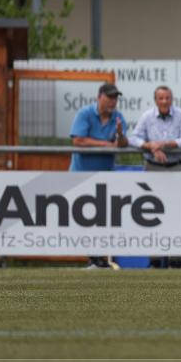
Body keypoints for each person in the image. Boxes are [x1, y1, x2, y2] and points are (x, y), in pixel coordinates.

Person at [70, 82, 128, 269]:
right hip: (81, 176)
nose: (113, 101)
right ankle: (93, 257)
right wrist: (106, 144)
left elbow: (123, 145)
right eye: (109, 97)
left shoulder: (118, 117)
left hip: (105, 178)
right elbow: (78, 140)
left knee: (102, 219)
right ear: (99, 97)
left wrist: (120, 135)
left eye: (115, 98)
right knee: (84, 218)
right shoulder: (85, 113)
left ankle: (98, 258)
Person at [128, 85, 181, 171]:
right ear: (155, 100)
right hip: (152, 167)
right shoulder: (147, 116)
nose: (164, 101)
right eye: (161, 98)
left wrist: (164, 144)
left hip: (177, 167)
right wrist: (151, 146)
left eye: (167, 98)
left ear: (172, 99)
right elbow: (133, 139)